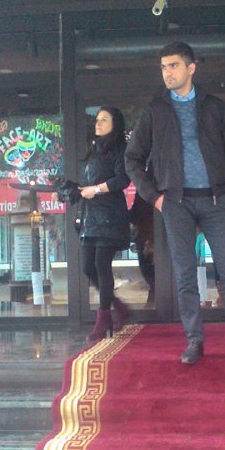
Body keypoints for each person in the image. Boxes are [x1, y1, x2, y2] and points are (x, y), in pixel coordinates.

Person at [125, 41, 225, 370]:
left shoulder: (214, 108)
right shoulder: (155, 111)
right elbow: (132, 159)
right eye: (163, 67)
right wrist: (155, 196)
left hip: (215, 201)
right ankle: (194, 340)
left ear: (191, 68)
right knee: (185, 275)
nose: (167, 72)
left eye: (173, 65)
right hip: (175, 203)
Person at [78, 107, 131, 340]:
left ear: (114, 124)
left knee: (101, 264)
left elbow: (123, 179)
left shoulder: (120, 149)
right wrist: (73, 191)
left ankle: (103, 319)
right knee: (87, 266)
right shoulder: (94, 150)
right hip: (92, 216)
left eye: (104, 119)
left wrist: (96, 190)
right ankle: (117, 306)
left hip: (111, 215)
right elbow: (89, 183)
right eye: (97, 119)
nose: (97, 123)